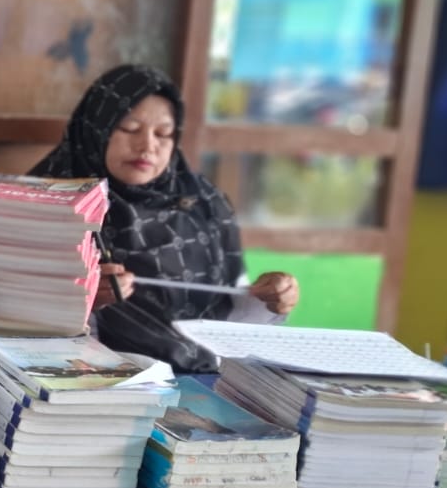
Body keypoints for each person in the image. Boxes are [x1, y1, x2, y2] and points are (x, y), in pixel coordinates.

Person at [29, 64, 299, 370]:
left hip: (206, 381)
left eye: (164, 133)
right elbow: (16, 316)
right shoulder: (52, 204)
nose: (147, 146)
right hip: (97, 388)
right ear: (96, 127)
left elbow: (234, 319)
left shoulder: (203, 204)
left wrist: (269, 299)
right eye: (129, 128)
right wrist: (83, 299)